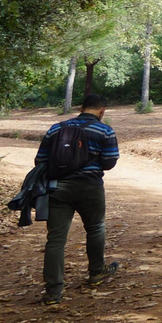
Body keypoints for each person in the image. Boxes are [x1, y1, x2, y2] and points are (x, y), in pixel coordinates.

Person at [35, 92, 121, 305]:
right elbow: (110, 162)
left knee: (56, 239)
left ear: (81, 108)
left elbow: (40, 159)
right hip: (89, 187)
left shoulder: (56, 128)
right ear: (102, 111)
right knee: (95, 228)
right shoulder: (104, 130)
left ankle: (53, 291)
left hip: (57, 188)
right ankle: (96, 273)